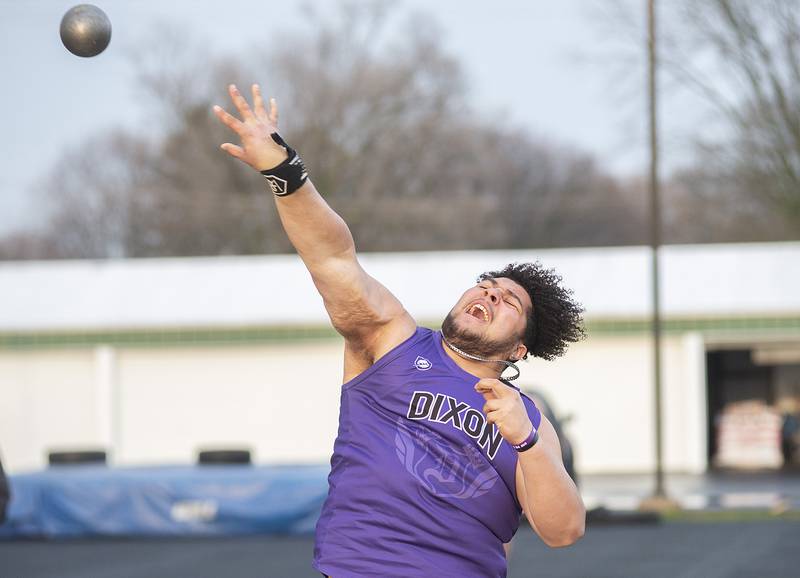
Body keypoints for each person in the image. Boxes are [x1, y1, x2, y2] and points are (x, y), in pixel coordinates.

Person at [214, 84, 586, 577]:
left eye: (510, 300)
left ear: (520, 347)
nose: (491, 294)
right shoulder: (391, 340)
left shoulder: (528, 421)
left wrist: (526, 442)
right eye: (487, 285)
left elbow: (563, 530)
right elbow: (332, 257)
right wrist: (283, 172)